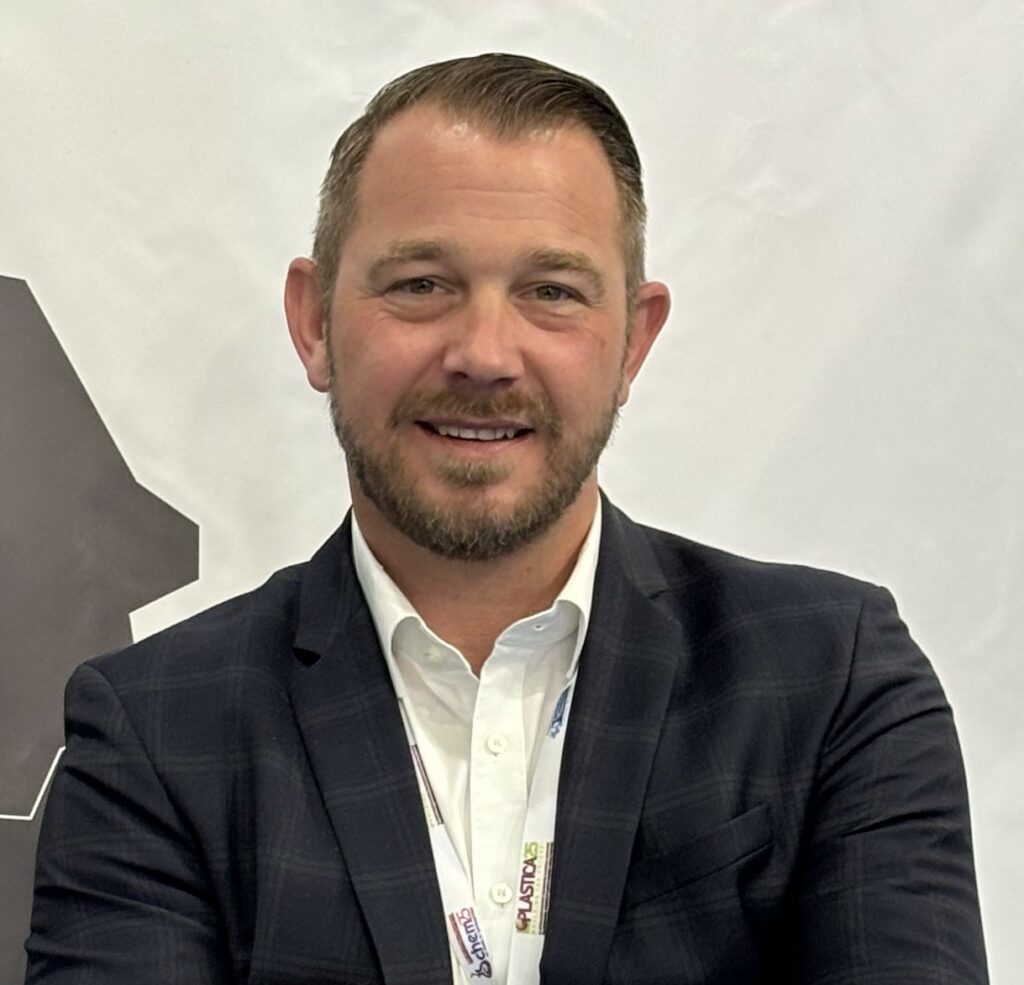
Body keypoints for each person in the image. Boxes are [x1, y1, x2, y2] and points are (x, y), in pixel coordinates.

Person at [24, 53, 987, 985]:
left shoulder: (831, 679)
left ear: (634, 341)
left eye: (551, 293)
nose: (484, 354)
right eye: (421, 284)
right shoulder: (157, 728)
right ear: (315, 321)